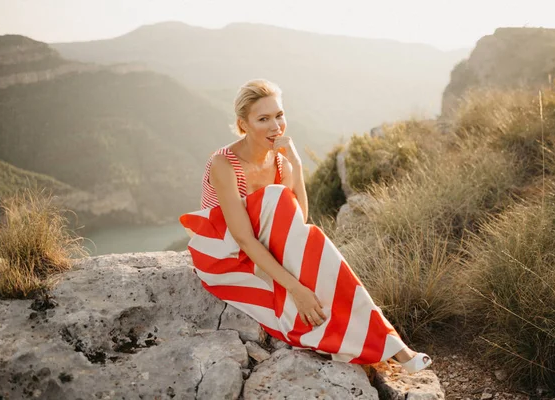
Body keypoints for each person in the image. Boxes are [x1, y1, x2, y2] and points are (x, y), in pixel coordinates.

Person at [180, 78, 432, 373]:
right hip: (224, 251)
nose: (276, 127)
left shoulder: (280, 161)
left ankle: (389, 344)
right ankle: (384, 345)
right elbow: (244, 239)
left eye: (279, 115)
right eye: (263, 119)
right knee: (284, 210)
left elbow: (297, 218)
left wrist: (296, 164)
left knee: (309, 240)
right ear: (243, 124)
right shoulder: (225, 163)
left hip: (261, 243)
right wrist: (296, 289)